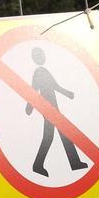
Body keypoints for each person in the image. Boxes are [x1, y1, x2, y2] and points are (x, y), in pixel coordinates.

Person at [25, 47, 88, 177]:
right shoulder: (39, 72)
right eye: (38, 55)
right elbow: (33, 90)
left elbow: (55, 86)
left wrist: (68, 94)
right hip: (48, 109)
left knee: (62, 134)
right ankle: (38, 165)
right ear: (35, 58)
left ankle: (74, 162)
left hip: (53, 108)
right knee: (50, 137)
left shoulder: (44, 71)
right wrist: (29, 106)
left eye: (41, 53)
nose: (41, 56)